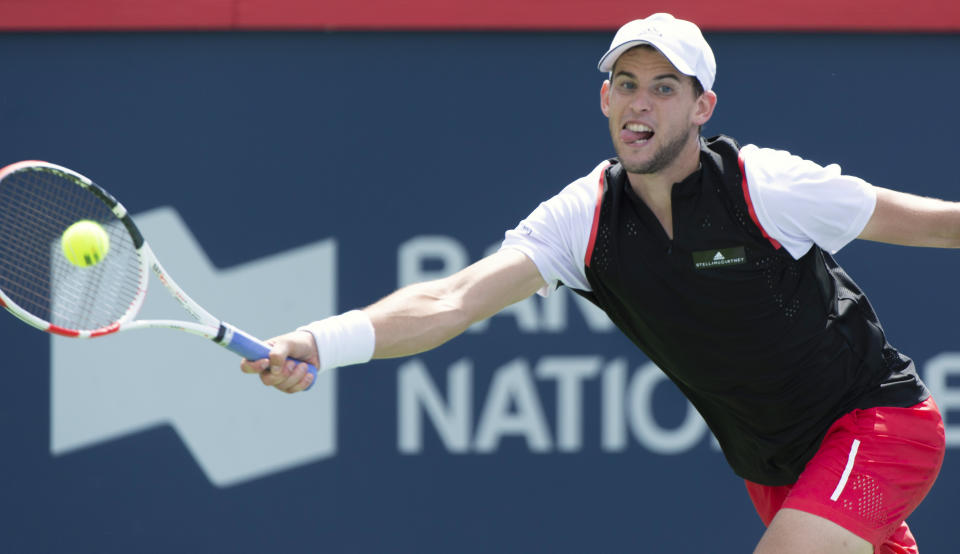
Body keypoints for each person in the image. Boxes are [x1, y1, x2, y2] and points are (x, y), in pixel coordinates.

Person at [240, 13, 948, 553]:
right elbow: (449, 300)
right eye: (627, 86)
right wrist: (316, 342)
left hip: (877, 425)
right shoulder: (582, 218)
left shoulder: (766, 185)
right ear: (605, 99)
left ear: (702, 108)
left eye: (665, 88)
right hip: (772, 464)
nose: (641, 104)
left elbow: (925, 222)